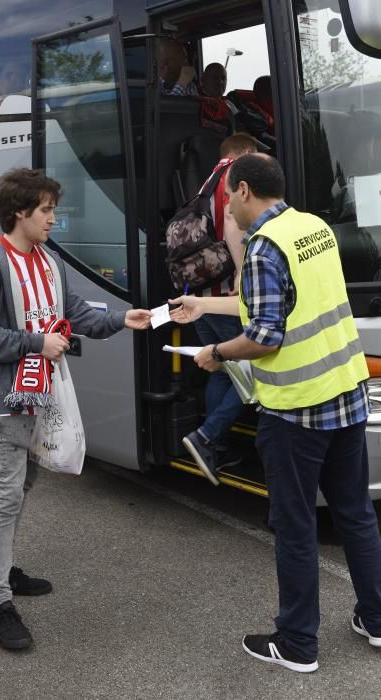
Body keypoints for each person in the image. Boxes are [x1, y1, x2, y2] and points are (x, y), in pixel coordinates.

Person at [170, 154, 381, 672]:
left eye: (226, 199)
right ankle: (376, 619)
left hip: (296, 412)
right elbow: (279, 303)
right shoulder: (313, 227)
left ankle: (296, 644)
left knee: (294, 526)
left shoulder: (263, 246)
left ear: (243, 190)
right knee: (355, 515)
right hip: (346, 394)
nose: (226, 211)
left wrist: (214, 354)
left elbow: (265, 334)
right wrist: (205, 306)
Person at [0, 167, 152, 650]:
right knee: (7, 492)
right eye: (45, 209)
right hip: (5, 396)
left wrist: (121, 320)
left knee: (23, 484)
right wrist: (35, 342)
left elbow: (77, 314)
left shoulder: (49, 261)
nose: (53, 217)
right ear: (19, 212)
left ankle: (0, 571)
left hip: (41, 391)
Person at [182, 133, 258, 484]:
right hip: (227, 295)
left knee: (220, 369)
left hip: (201, 291)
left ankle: (219, 447)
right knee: (250, 371)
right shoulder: (233, 175)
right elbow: (231, 227)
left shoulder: (203, 181)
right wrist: (244, 275)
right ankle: (208, 437)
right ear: (243, 153)